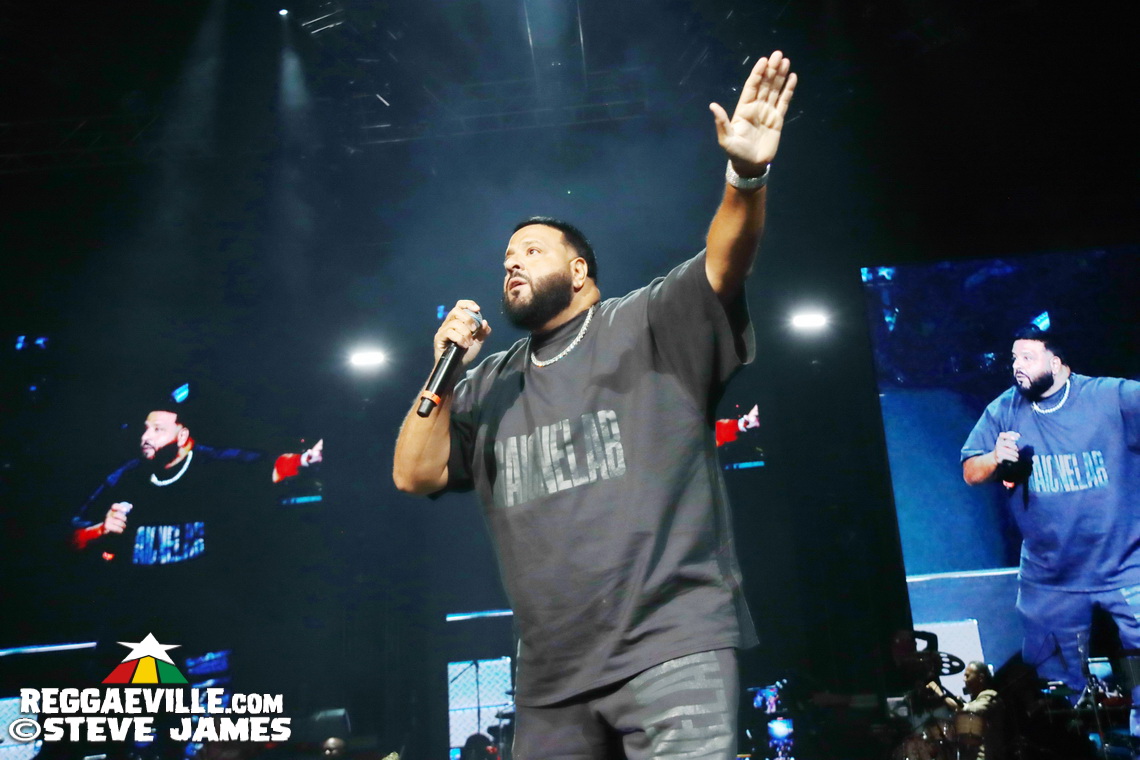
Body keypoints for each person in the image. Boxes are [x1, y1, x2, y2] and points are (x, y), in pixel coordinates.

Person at [393, 51, 797, 759]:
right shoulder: (489, 383)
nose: (511, 262)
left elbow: (723, 263)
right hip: (550, 678)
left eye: (531, 251)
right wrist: (444, 369)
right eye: (506, 257)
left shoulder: (646, 323)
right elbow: (414, 473)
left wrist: (745, 177)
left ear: (579, 271)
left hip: (670, 646)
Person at [961, 324, 1140, 740]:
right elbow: (971, 470)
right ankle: (1070, 744)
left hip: (1125, 562)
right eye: (1014, 358)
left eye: (1027, 357)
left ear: (1057, 362)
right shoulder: (1004, 409)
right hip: (1050, 572)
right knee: (1054, 684)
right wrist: (994, 457)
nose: (1017, 366)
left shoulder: (1109, 396)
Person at [926, 662, 1002, 760]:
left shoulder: (990, 696)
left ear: (981, 678)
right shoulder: (974, 701)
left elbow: (965, 710)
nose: (964, 679)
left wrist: (939, 693)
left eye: (967, 676)